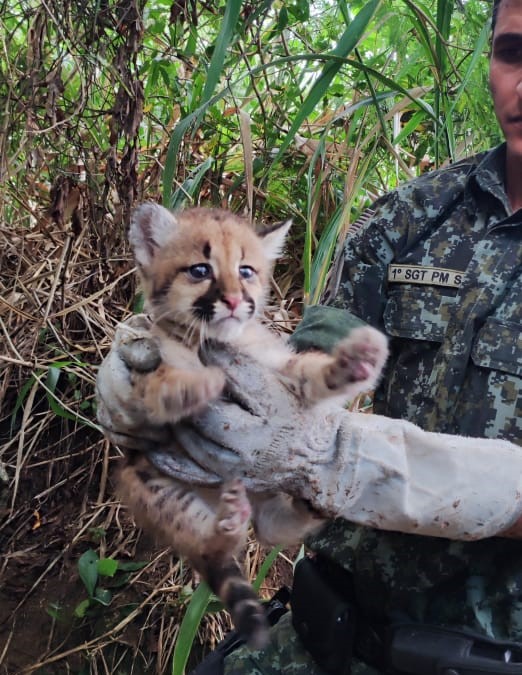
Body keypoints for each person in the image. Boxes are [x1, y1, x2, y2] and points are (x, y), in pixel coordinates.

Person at [96, 0, 522, 672]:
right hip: (336, 632)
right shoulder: (414, 215)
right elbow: (306, 349)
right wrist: (194, 384)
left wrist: (361, 462)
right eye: (512, 53)